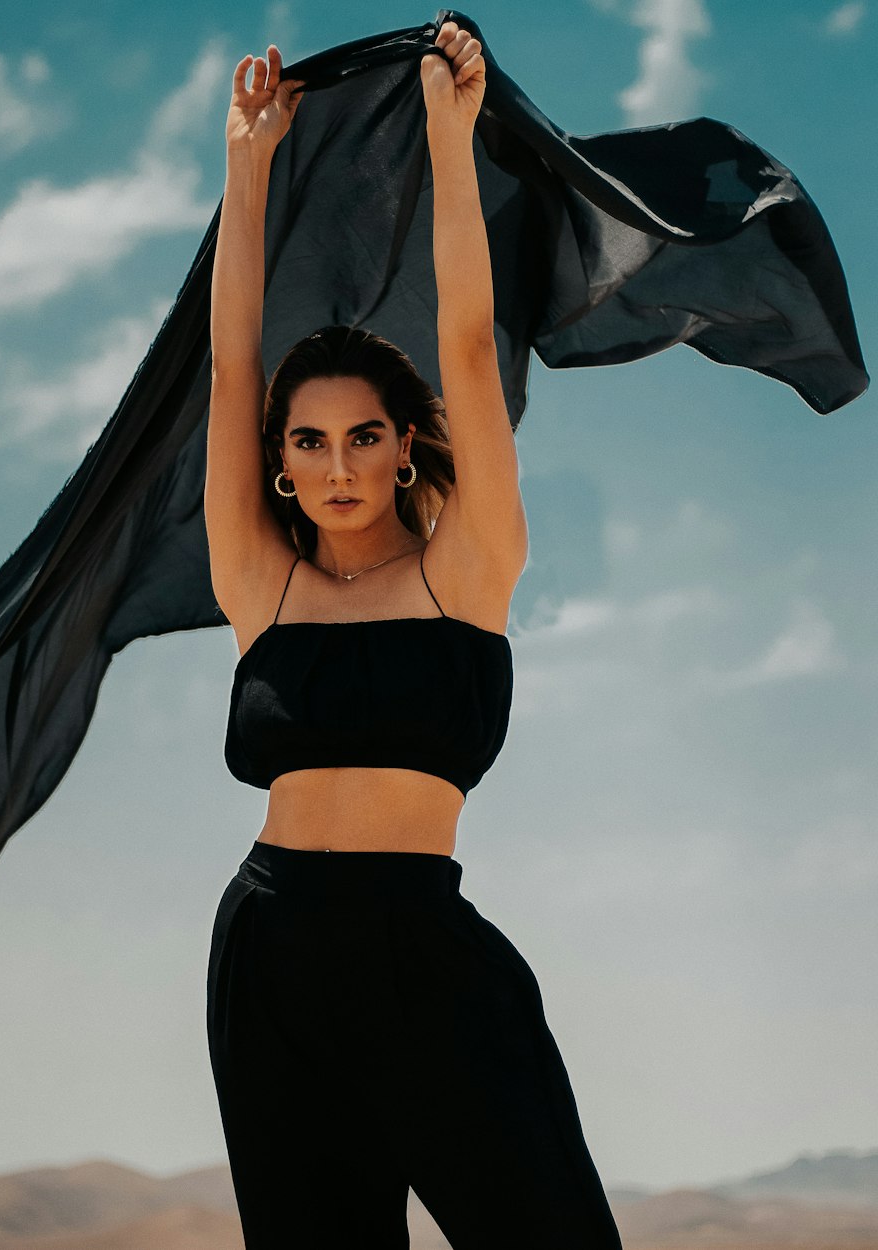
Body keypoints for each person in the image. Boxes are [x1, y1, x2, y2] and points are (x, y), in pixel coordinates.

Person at [204, 21, 623, 1250]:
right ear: (279, 467)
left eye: (365, 435)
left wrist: (450, 134)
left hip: (429, 954)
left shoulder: (469, 570)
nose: (337, 465)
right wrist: (247, 168)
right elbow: (232, 368)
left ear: (403, 446)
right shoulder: (259, 590)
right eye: (308, 441)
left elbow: (467, 356)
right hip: (270, 951)